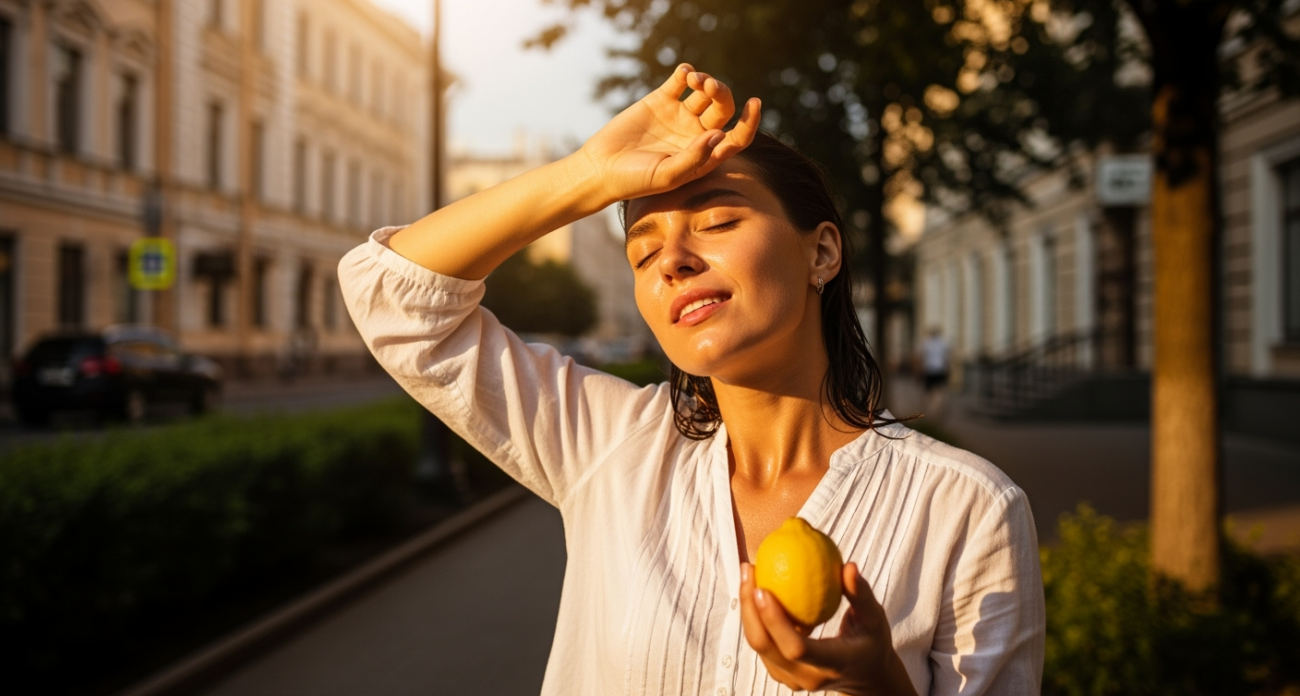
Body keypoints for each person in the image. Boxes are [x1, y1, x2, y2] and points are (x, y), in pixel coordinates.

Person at [338, 65, 1043, 696]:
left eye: (716, 220)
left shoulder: (967, 508)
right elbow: (393, 297)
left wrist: (880, 688)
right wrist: (591, 172)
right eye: (642, 255)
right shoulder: (612, 447)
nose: (672, 260)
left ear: (821, 251)